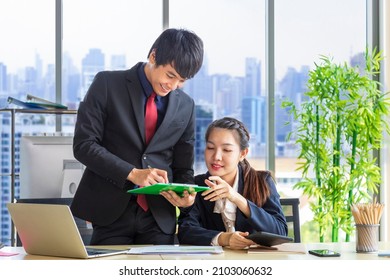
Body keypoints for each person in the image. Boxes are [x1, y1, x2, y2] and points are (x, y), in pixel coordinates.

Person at [70, 28, 204, 245]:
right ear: (153, 56)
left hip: (159, 217)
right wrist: (132, 173)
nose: (173, 86)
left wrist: (186, 195)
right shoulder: (106, 84)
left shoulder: (186, 106)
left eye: (181, 80)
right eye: (170, 75)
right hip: (110, 212)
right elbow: (84, 145)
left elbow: (183, 167)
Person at [178, 117, 288, 249]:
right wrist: (224, 238)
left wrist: (236, 198)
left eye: (227, 150)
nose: (216, 157)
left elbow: (280, 232)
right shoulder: (197, 185)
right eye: (210, 147)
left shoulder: (262, 181)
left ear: (243, 153)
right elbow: (186, 231)